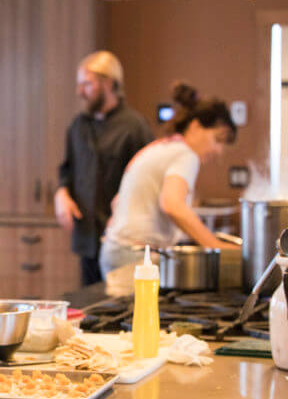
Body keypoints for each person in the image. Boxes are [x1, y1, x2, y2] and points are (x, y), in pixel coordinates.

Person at [99, 82, 239, 276]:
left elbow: (118, 202)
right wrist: (215, 246)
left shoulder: (161, 147)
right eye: (217, 140)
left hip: (118, 250)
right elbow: (172, 204)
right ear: (196, 126)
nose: (218, 151)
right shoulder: (185, 154)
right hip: (135, 255)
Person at [55, 51, 153, 286]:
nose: (80, 92)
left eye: (87, 84)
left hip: (121, 241)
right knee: (88, 308)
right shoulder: (78, 126)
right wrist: (62, 193)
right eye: (80, 84)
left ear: (109, 83)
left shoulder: (134, 126)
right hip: (86, 237)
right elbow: (67, 170)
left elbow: (146, 179)